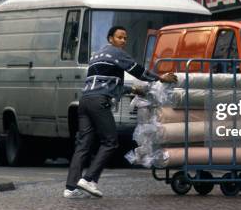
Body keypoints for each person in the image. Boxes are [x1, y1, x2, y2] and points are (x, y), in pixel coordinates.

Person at [64, 25, 177, 198]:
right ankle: (89, 180)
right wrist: (160, 77)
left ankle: (70, 188)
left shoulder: (96, 56)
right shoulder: (116, 53)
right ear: (111, 39)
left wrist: (133, 90)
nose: (123, 41)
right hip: (99, 102)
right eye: (119, 37)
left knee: (84, 144)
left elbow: (106, 83)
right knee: (110, 142)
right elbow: (138, 70)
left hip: (85, 101)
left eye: (125, 38)